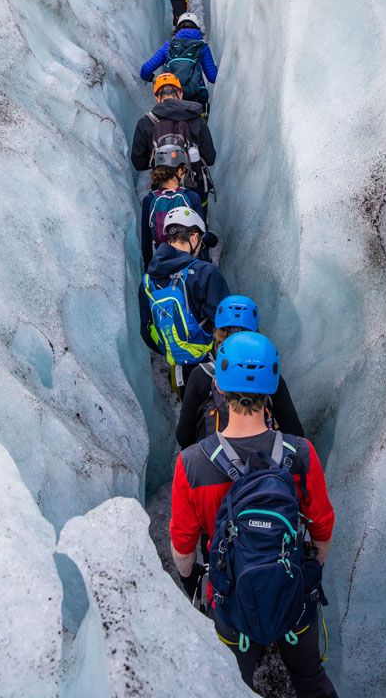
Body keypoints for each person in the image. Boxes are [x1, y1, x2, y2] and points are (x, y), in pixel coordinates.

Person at [170, 332, 337, 697]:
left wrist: (192, 582)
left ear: (217, 386)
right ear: (272, 388)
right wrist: (308, 573)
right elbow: (323, 529)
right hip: (294, 604)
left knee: (231, 686)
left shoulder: (191, 464)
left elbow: (183, 549)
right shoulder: (301, 454)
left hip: (231, 608)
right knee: (311, 682)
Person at [175, 295, 305, 448]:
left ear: (217, 332)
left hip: (211, 462)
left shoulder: (201, 375)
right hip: (264, 463)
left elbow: (183, 437)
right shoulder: (267, 374)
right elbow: (295, 434)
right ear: (256, 333)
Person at [138, 207, 229, 395]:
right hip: (212, 370)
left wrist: (174, 348)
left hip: (180, 373)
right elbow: (227, 325)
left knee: (190, 420)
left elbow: (146, 331)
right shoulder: (206, 272)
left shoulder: (147, 281)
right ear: (194, 237)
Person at [131, 72, 216, 221]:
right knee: (198, 230)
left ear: (157, 97)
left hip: (163, 190)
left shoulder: (145, 123)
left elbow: (138, 162)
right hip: (196, 189)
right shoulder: (196, 119)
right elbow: (210, 158)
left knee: (165, 230)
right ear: (181, 93)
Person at [141, 144, 205, 271]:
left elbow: (146, 240)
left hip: (162, 261)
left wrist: (148, 266)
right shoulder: (192, 197)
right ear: (179, 171)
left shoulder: (149, 199)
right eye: (184, 169)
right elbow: (201, 235)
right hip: (188, 262)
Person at [139, 13, 218, 107]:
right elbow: (213, 77)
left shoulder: (168, 46)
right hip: (196, 99)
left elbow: (145, 70)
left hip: (171, 96)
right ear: (197, 28)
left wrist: (151, 78)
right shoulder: (202, 47)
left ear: (177, 29)